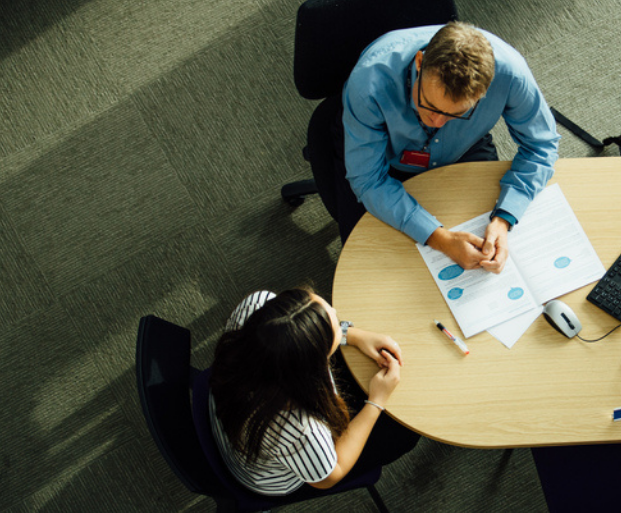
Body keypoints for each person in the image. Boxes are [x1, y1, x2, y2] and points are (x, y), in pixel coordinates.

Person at [314, 21, 560, 274]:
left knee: (497, 250)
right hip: (385, 159)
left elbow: (541, 144)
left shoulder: (510, 75)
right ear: (420, 63)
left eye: (458, 113)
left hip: (464, 148)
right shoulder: (369, 84)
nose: (438, 122)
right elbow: (368, 180)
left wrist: (504, 219)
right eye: (430, 105)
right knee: (374, 266)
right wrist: (440, 239)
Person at [208, 288, 419, 495]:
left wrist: (353, 335)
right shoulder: (303, 430)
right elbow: (330, 476)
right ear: (315, 367)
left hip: (228, 410)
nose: (337, 314)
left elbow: (293, 333)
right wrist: (376, 401)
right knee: (403, 434)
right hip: (265, 475)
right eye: (337, 326)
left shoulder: (258, 304)